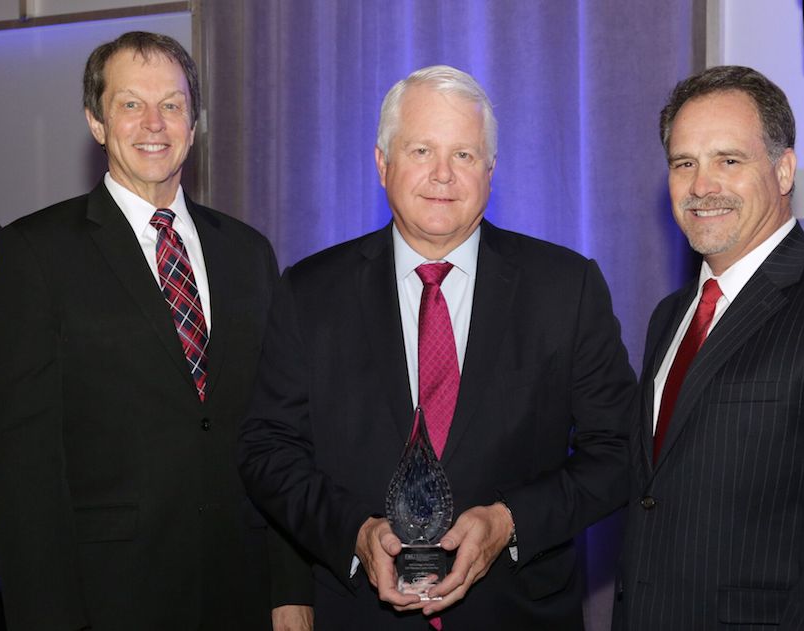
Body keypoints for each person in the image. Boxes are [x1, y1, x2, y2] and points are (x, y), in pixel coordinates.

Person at [238, 64, 636, 630]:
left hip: (518, 613)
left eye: (465, 155)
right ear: (382, 163)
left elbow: (620, 451)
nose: (443, 175)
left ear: (492, 170)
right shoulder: (309, 293)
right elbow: (267, 450)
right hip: (360, 614)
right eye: (422, 150)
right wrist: (354, 532)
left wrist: (510, 522)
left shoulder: (565, 288)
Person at [0, 31, 312, 631]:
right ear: (96, 122)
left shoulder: (248, 251)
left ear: (194, 122)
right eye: (131, 103)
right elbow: (22, 466)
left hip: (242, 586)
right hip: (109, 595)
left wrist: (291, 585)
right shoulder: (35, 253)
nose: (153, 123)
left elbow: (277, 431)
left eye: (173, 104)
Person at [613, 65, 804, 630]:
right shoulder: (669, 317)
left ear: (783, 170)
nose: (702, 186)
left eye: (729, 160)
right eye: (684, 164)